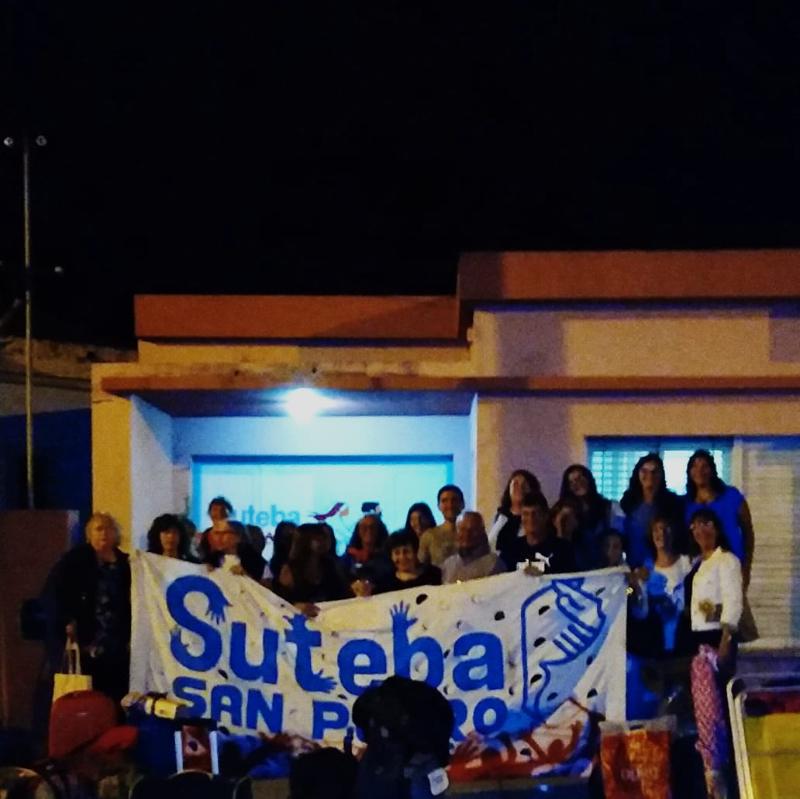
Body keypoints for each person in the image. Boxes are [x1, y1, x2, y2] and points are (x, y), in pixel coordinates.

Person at [43, 513, 131, 705]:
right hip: (87, 637)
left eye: (109, 528)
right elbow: (56, 593)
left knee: (117, 690)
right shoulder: (74, 560)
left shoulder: (125, 563)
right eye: (99, 529)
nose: (104, 533)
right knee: (90, 691)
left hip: (117, 638)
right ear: (89, 534)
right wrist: (67, 619)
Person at [684, 449, 755, 588]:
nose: (699, 471)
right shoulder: (687, 504)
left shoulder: (732, 496)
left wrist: (746, 567)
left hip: (732, 565)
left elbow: (748, 532)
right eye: (695, 466)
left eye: (704, 466)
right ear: (689, 472)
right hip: (701, 570)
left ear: (712, 470)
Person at [684, 508, 742, 671]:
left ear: (716, 528)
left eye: (706, 524)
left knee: (717, 684)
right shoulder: (695, 563)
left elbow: (733, 600)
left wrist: (726, 639)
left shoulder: (726, 559)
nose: (701, 530)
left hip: (716, 634)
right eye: (695, 526)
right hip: (696, 633)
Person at [620, 453, 686, 567]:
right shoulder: (628, 501)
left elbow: (677, 537)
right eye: (644, 471)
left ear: (661, 475)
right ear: (637, 474)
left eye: (654, 472)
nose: (650, 475)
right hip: (633, 566)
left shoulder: (673, 502)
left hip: (664, 566)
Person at [274, 523, 350, 612]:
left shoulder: (329, 564)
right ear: (304, 541)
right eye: (319, 539)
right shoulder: (290, 569)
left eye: (324, 538)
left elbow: (343, 594)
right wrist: (297, 606)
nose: (325, 542)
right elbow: (281, 602)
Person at [558, 464, 621, 570]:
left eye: (580, 478)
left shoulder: (608, 507)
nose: (578, 483)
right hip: (574, 568)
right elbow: (560, 543)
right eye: (572, 482)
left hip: (604, 567)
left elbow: (617, 538)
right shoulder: (563, 511)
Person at [505, 493, 576, 575]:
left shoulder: (563, 549)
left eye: (535, 514)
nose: (531, 518)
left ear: (546, 516)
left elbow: (570, 578)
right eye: (526, 514)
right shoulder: (511, 550)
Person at [487, 469, 542, 567]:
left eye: (524, 485)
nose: (520, 488)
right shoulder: (500, 516)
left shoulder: (537, 517)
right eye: (515, 484)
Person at [199, 519, 272, 585]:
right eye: (217, 533)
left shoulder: (257, 562)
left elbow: (268, 589)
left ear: (238, 537)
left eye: (225, 533)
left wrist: (247, 577)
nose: (220, 537)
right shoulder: (210, 561)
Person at [441, 511, 506, 583]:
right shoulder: (448, 564)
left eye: (473, 529)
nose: (467, 534)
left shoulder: (494, 565)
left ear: (482, 533)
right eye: (462, 529)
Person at [372, 531, 441, 594]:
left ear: (415, 552)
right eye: (397, 553)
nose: (402, 557)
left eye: (406, 551)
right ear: (391, 556)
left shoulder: (433, 574)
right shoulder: (385, 583)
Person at [342, 514, 391, 594]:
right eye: (363, 527)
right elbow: (342, 581)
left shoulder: (388, 556)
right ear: (358, 531)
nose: (368, 530)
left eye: (372, 527)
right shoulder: (348, 557)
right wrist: (352, 586)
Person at [418, 484, 464, 568]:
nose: (450, 505)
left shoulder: (473, 534)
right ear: (439, 506)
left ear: (462, 504)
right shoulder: (429, 536)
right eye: (444, 501)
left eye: (454, 500)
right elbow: (421, 566)